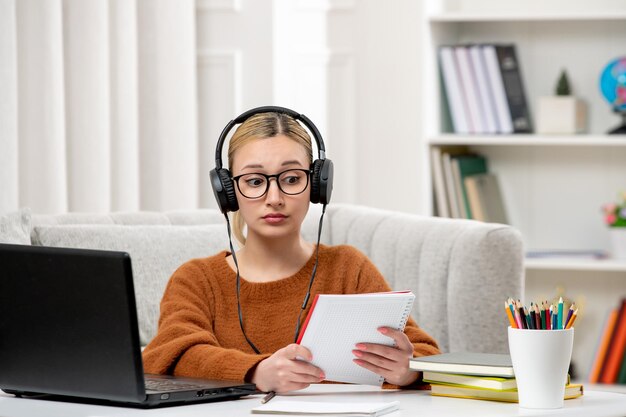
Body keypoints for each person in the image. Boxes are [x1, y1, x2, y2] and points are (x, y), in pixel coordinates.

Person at [142, 109, 440, 394]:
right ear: (228, 192)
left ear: (317, 186)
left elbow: (425, 353)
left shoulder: (348, 268)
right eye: (255, 181)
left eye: (292, 179)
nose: (274, 198)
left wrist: (409, 370)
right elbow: (170, 356)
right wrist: (257, 372)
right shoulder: (197, 280)